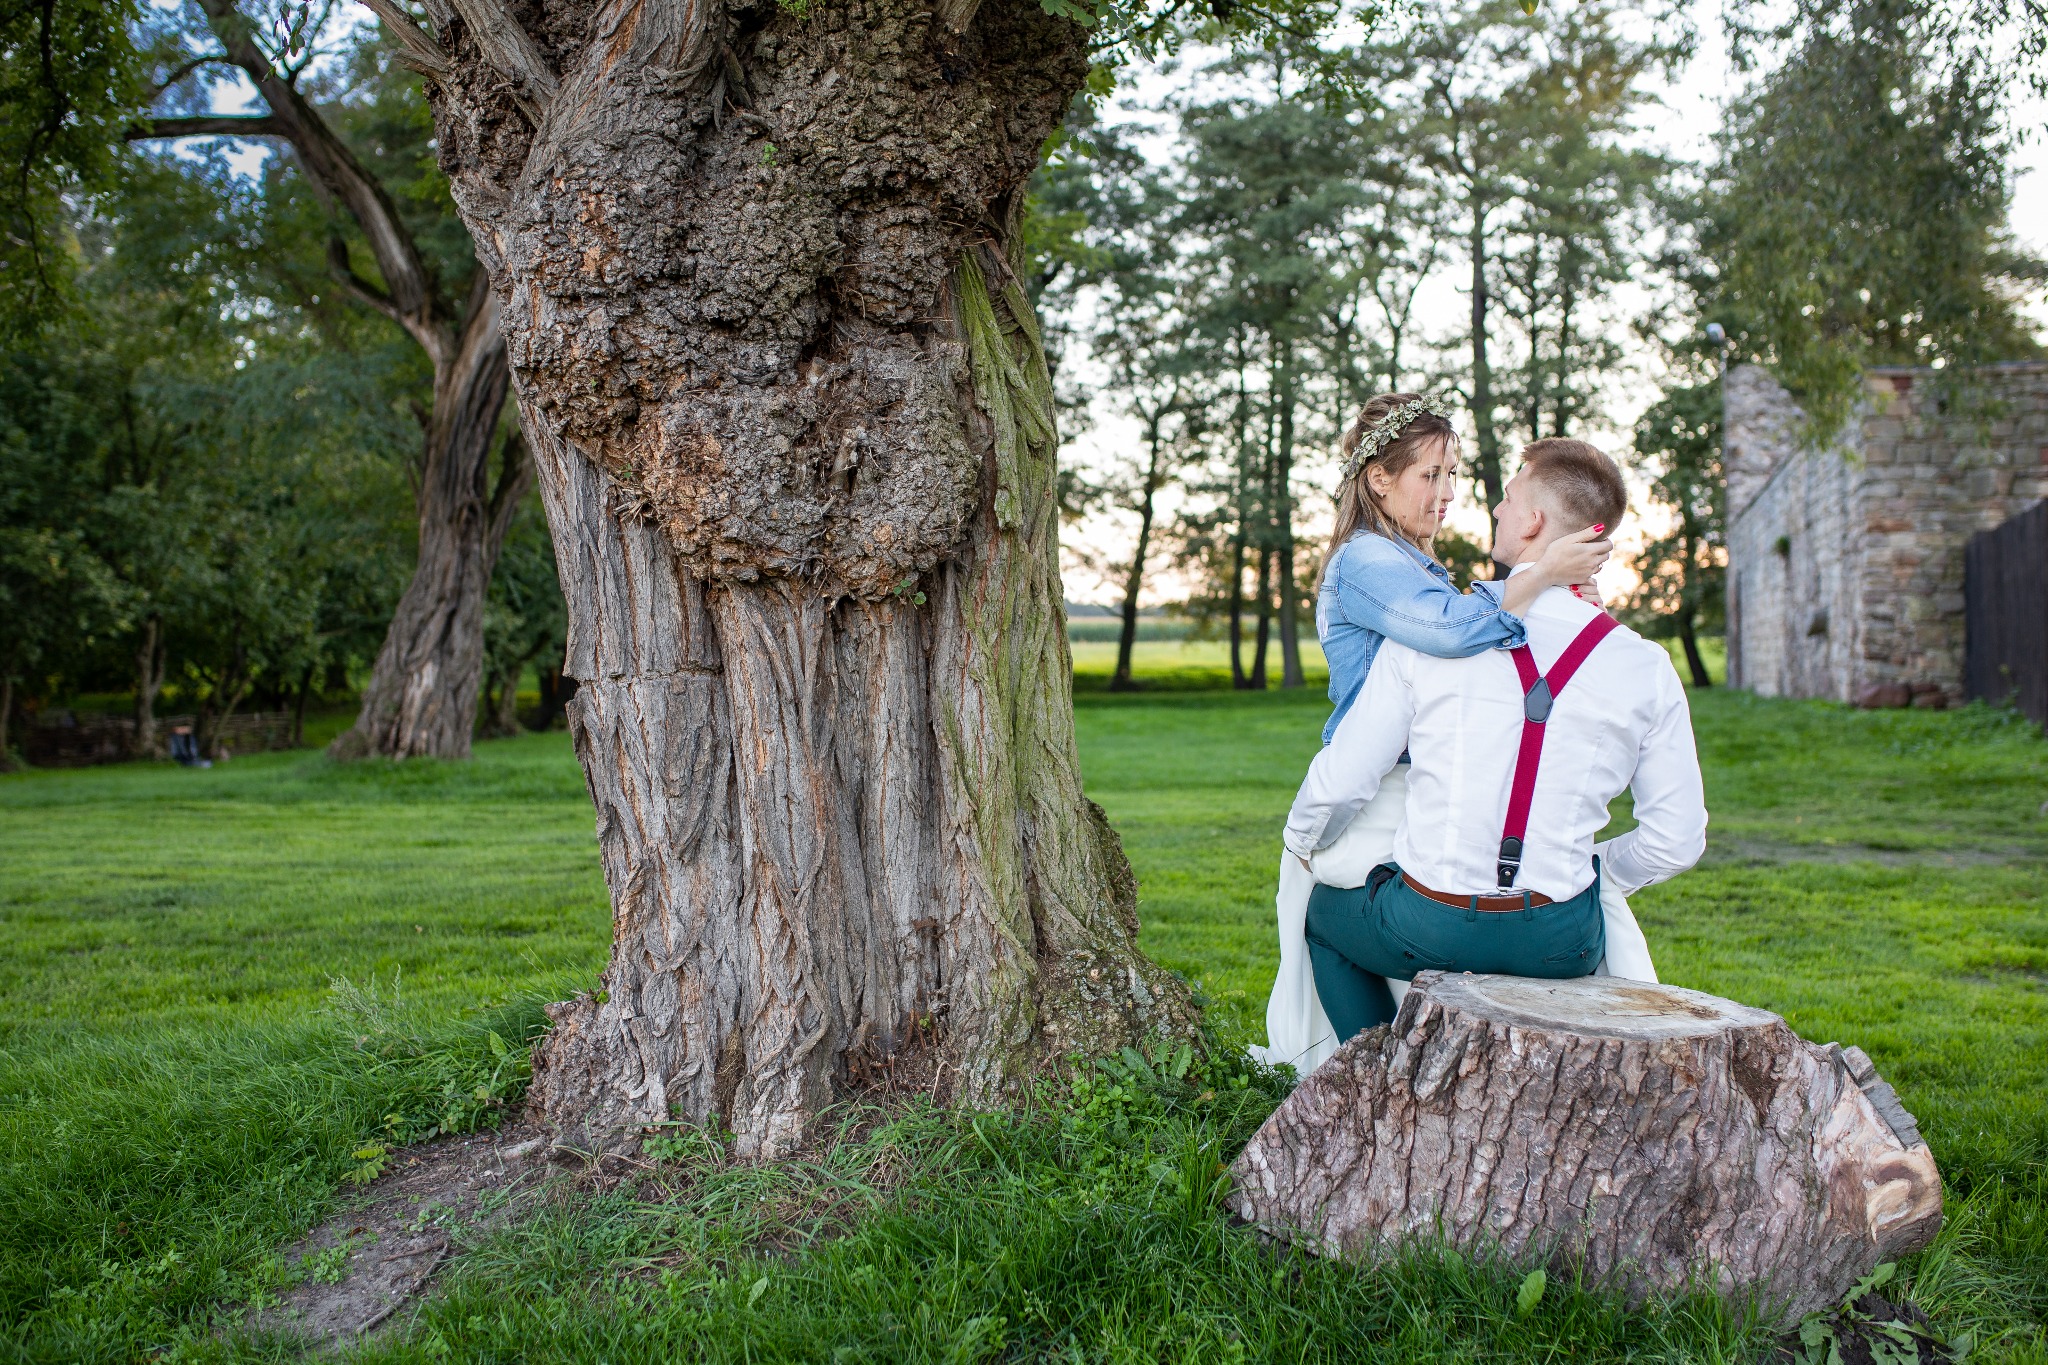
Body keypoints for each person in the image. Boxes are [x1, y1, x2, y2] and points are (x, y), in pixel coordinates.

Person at [1284, 438, 1708, 1042]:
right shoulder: (1644, 665)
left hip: (1431, 922)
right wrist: (1594, 868)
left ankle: (1381, 1086)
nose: (1494, 510)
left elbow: (1347, 775)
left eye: (1507, 499)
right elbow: (1677, 841)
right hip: (1561, 940)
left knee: (1325, 918)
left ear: (1533, 521)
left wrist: (1302, 840)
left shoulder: (1432, 640)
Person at [1252, 395, 1618, 1076]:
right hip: (1373, 786)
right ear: (1378, 480)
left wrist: (1572, 608)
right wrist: (1536, 578)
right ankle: (1377, 1080)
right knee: (1338, 919)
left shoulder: (1418, 563)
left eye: (1453, 474)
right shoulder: (1366, 561)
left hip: (1420, 781)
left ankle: (1421, 1088)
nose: (1448, 493)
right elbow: (1449, 630)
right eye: (1431, 475)